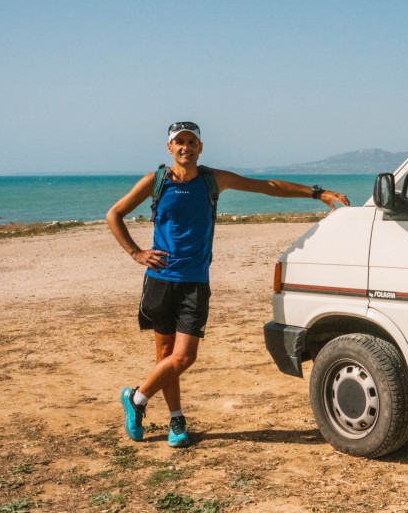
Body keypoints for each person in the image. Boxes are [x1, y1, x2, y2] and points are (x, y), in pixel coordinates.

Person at [106, 121, 350, 447]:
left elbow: (268, 186)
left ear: (200, 147)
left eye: (191, 142)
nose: (185, 147)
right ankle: (176, 419)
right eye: (179, 142)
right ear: (169, 148)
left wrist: (316, 192)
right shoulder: (157, 181)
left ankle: (135, 398)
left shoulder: (212, 180)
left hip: (194, 282)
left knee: (184, 356)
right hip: (160, 280)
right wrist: (136, 253)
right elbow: (114, 215)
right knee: (165, 355)